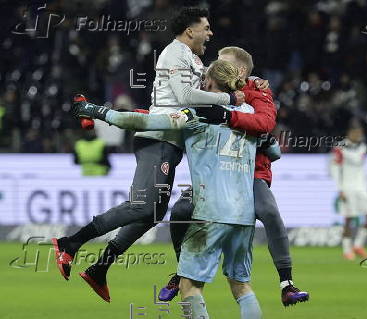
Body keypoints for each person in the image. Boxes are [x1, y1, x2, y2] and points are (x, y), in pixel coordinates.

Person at [51, 7, 244, 302]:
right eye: (206, 27)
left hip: (169, 142)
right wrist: (227, 99)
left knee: (152, 212)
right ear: (190, 30)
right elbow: (185, 97)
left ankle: (99, 269)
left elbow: (202, 92)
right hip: (157, 138)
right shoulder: (174, 53)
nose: (210, 33)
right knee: (142, 206)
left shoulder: (193, 59)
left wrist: (249, 87)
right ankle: (70, 243)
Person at [160, 46, 309, 307]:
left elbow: (264, 125)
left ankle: (287, 283)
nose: (214, 67)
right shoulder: (209, 89)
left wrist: (228, 113)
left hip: (249, 172)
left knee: (269, 211)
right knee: (181, 209)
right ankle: (180, 270)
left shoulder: (258, 92)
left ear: (239, 71)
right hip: (216, 173)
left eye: (221, 63)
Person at [330, 122, 367, 260]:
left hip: (361, 187)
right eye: (356, 132)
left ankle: (358, 245)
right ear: (349, 133)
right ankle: (347, 249)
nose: (359, 135)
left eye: (360, 133)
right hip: (347, 187)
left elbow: (360, 167)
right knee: (348, 219)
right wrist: (340, 189)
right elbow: (335, 169)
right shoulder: (340, 148)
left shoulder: (362, 146)